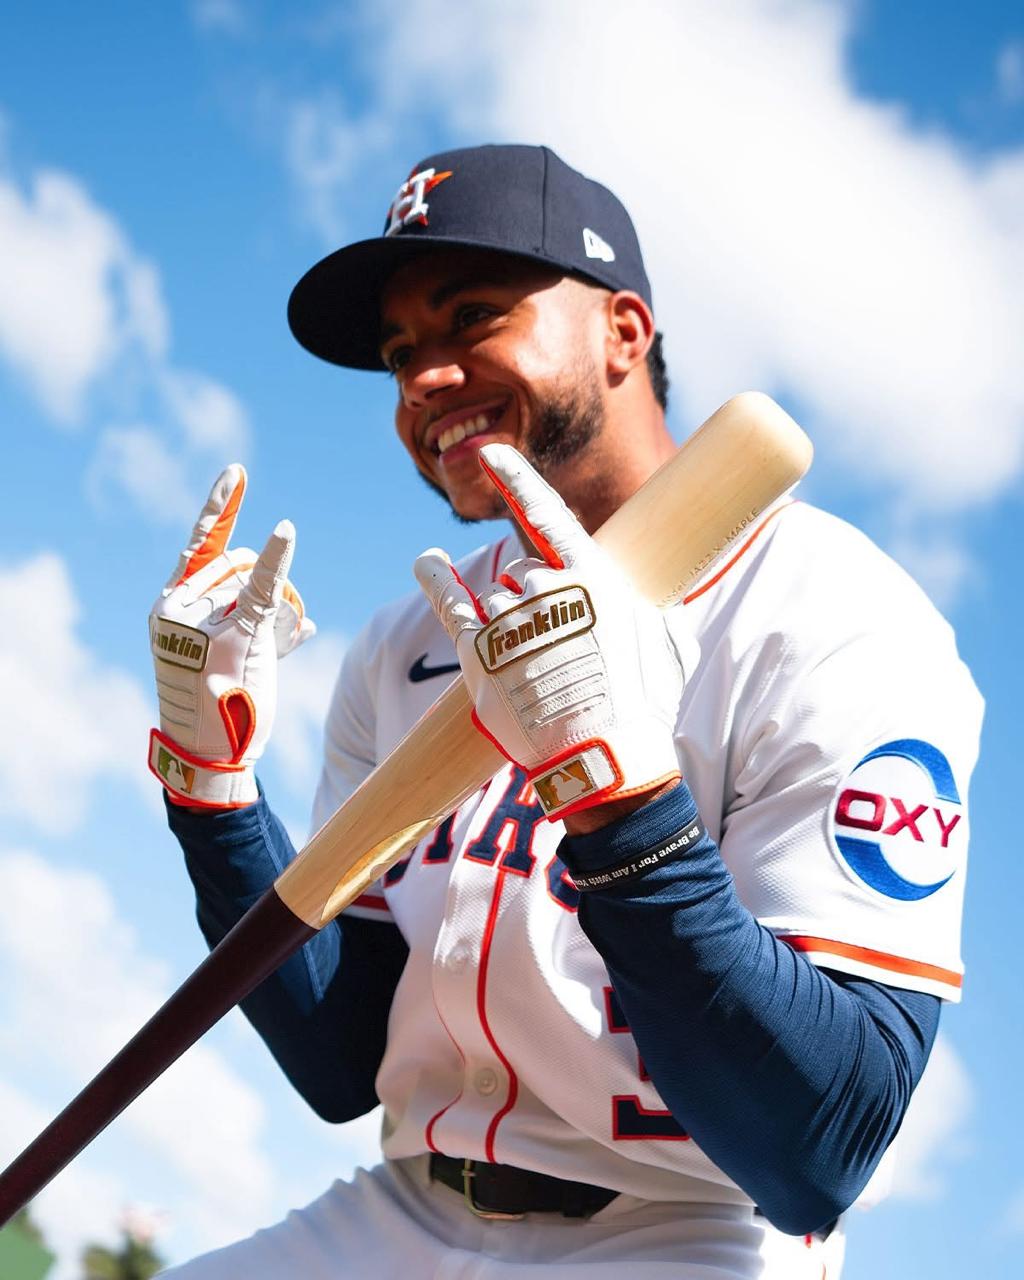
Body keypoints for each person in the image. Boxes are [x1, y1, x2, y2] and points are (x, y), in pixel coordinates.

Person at [150, 145, 983, 1278]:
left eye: (471, 317)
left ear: (623, 331)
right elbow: (343, 1061)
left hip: (686, 1226)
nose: (422, 379)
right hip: (403, 1206)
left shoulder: (838, 615)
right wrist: (213, 794)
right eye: (399, 353)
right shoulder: (402, 642)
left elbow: (818, 1146)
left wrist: (623, 804)